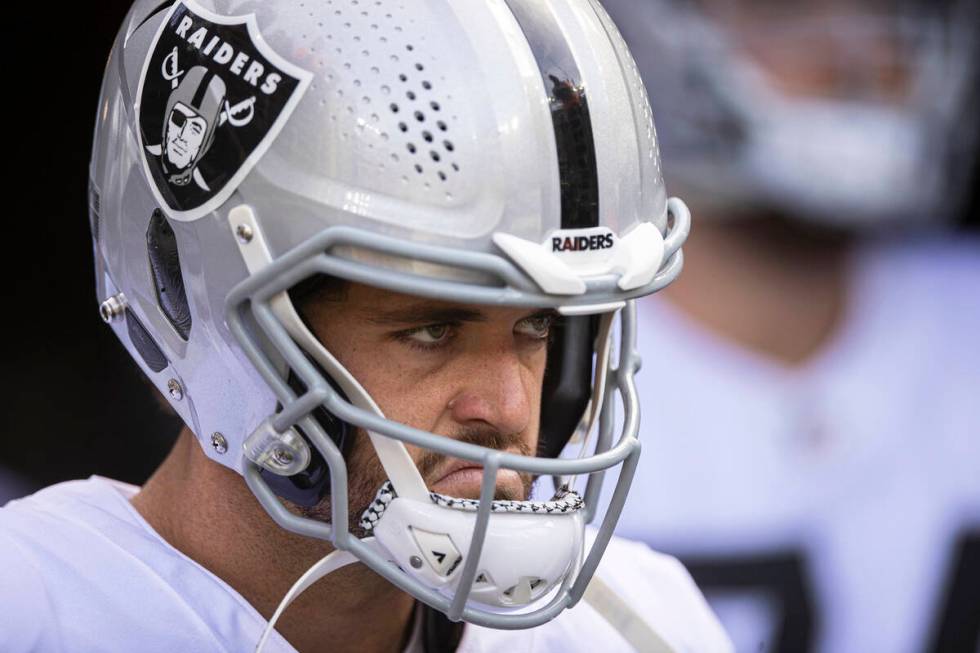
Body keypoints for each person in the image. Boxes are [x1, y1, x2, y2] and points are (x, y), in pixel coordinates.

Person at [0, 1, 732, 652]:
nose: (510, 412)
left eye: (539, 325)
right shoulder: (30, 612)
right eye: (432, 329)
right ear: (215, 317)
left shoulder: (643, 625)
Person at [597, 0, 980, 651]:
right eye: (785, 12)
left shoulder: (960, 311)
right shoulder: (539, 352)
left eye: (889, 13)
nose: (855, 61)